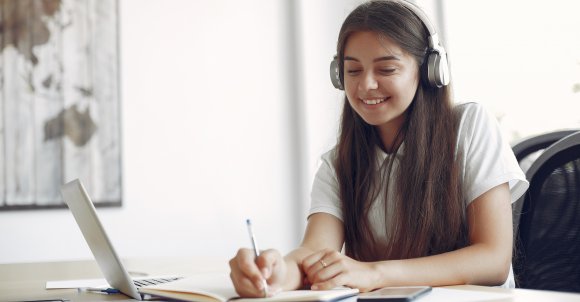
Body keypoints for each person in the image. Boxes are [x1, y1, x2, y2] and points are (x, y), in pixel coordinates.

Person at [229, 0, 529, 297]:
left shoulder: (469, 126)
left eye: (386, 69)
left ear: (429, 71)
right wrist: (276, 272)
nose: (365, 85)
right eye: (353, 71)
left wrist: (374, 273)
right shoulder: (339, 162)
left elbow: (493, 260)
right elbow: (314, 253)